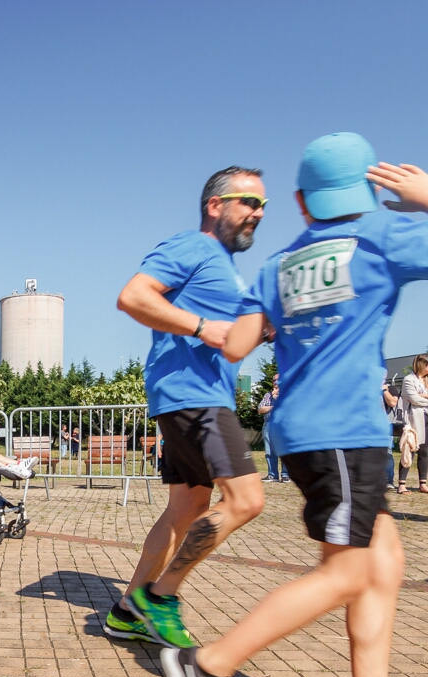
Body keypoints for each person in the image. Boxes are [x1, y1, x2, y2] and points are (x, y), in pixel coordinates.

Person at [161, 133, 428, 677]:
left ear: (301, 201)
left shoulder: (277, 264)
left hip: (301, 432)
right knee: (349, 572)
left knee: (384, 561)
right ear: (369, 191)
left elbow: (240, 344)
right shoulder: (382, 236)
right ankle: (208, 667)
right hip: (344, 432)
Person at [107, 165, 266, 647]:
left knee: (188, 505)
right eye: (249, 202)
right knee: (247, 499)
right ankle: (162, 596)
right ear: (215, 205)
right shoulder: (193, 246)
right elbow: (132, 297)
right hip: (193, 397)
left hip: (195, 397)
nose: (258, 214)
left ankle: (127, 609)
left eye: (263, 206)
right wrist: (200, 327)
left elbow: (230, 334)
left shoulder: (226, 266)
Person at [397, 354, 428, 494]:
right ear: (423, 365)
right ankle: (402, 484)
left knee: (425, 451)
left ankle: (423, 483)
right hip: (415, 417)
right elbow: (413, 398)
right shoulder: (408, 380)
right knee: (410, 448)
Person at [257, 374, 289, 482]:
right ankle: (272, 475)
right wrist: (274, 406)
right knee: (269, 450)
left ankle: (285, 475)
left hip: (282, 424)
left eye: (277, 380)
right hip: (268, 424)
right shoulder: (267, 395)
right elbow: (260, 409)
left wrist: (276, 400)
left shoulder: (287, 393)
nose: (275, 382)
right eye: (273, 380)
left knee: (284, 449)